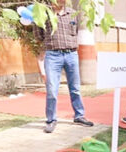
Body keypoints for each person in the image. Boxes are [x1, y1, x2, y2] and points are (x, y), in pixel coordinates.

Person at [33, 0, 93, 133]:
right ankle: (51, 120)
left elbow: (75, 31)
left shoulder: (72, 14)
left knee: (75, 88)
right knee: (52, 89)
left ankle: (79, 115)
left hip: (71, 54)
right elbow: (38, 35)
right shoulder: (44, 15)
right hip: (53, 55)